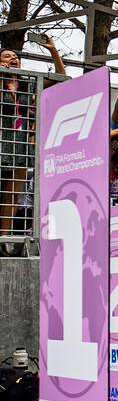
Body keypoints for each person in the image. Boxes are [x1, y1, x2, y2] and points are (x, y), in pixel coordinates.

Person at [1, 35, 63, 245]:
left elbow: (59, 77)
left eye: (16, 56)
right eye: (7, 56)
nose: (13, 58)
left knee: (12, 194)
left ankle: (5, 238)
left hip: (19, 147)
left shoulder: (28, 84)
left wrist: (53, 51)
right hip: (2, 143)